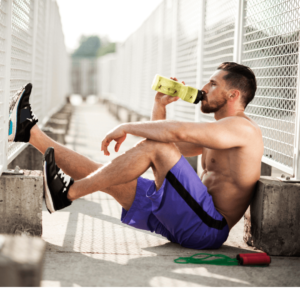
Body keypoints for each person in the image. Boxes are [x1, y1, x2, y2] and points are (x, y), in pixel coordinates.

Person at [8, 62, 263, 250]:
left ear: (233, 95)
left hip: (208, 227)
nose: (204, 88)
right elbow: (163, 143)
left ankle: (68, 193)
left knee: (155, 150)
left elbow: (173, 135)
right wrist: (159, 106)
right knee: (102, 174)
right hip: (189, 215)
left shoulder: (242, 129)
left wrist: (127, 127)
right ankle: (29, 133)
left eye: (213, 83)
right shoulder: (220, 132)